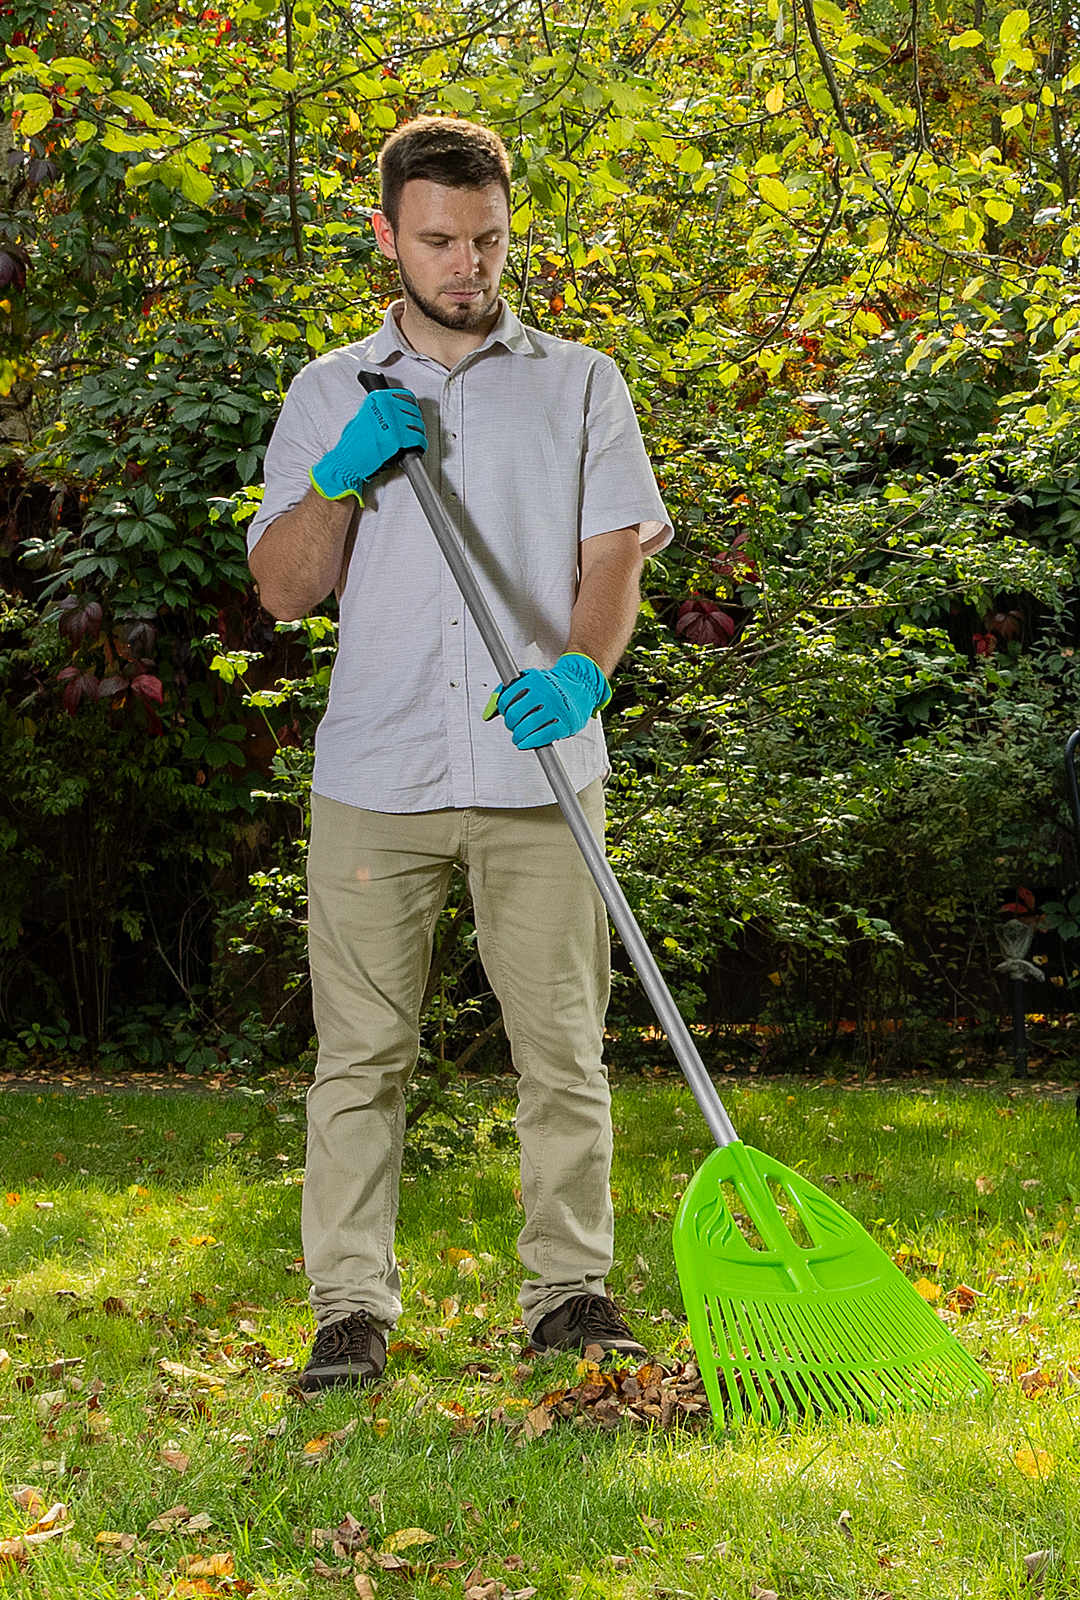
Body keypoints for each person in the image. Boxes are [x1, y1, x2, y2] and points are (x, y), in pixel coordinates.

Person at [244, 116, 673, 1391]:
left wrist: (582, 672)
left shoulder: (581, 382)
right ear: (386, 236)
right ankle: (350, 1312)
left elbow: (614, 567)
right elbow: (281, 589)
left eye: (487, 240)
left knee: (562, 1045)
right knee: (360, 1055)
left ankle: (569, 1295)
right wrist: (337, 477)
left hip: (539, 772)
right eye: (438, 240)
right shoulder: (332, 389)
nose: (467, 265)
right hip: (376, 774)